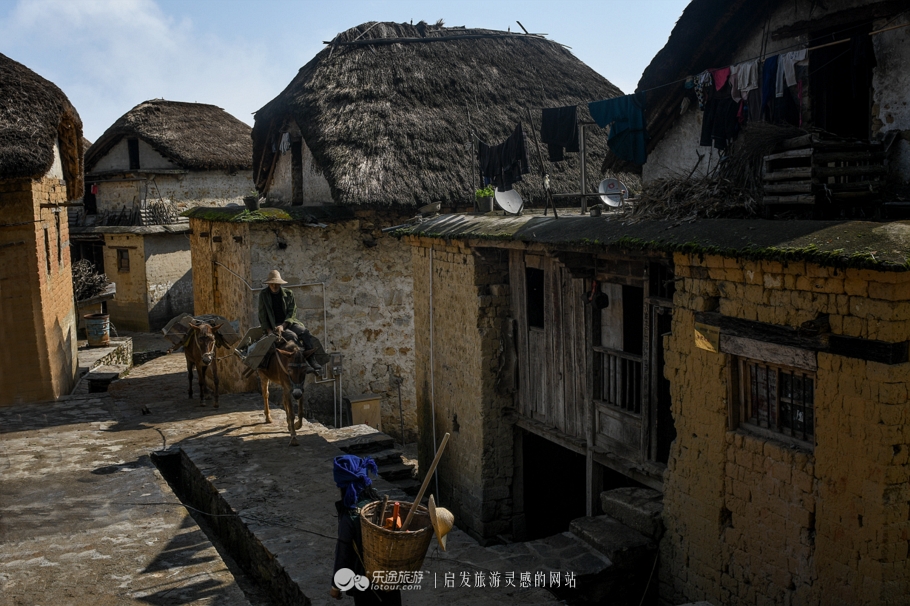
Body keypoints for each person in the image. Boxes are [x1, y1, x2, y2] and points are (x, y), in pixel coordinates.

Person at [331, 455, 402, 606]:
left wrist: (336, 586)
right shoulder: (379, 504)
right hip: (390, 580)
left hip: (365, 585)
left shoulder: (350, 516)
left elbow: (343, 554)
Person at [258, 269, 322, 373]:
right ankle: (302, 362)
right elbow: (262, 314)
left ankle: (311, 359)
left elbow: (292, 312)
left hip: (287, 322)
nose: (274, 286)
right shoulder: (264, 295)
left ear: (280, 284)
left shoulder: (289, 293)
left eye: (277, 284)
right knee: (292, 336)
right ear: (269, 284)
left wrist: (283, 325)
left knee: (305, 332)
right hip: (275, 325)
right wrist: (269, 330)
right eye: (272, 284)